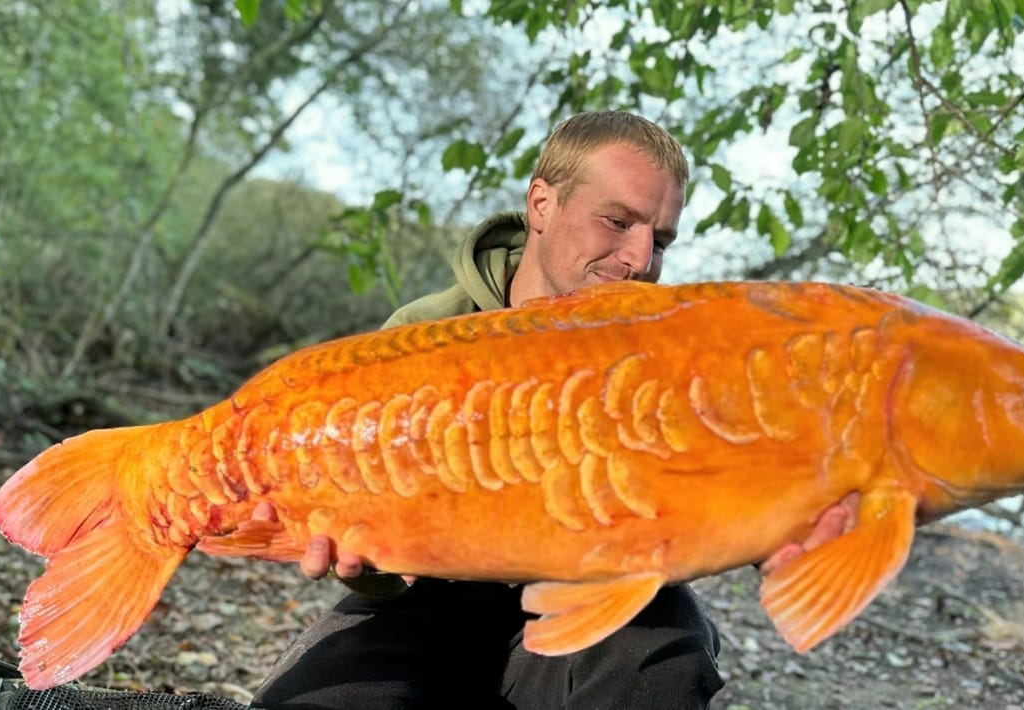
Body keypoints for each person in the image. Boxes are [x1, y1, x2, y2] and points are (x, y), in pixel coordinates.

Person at [249, 111, 857, 709]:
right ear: (542, 204)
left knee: (664, 661)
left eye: (661, 239)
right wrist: (367, 568)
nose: (640, 260)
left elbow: (709, 502)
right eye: (617, 221)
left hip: (596, 593)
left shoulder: (675, 355)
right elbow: (370, 549)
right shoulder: (421, 334)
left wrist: (780, 524)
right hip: (433, 599)